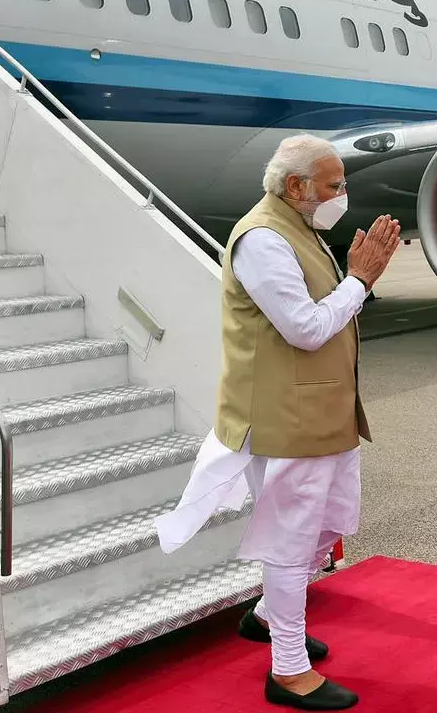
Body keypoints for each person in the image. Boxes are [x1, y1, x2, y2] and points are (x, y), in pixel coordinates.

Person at [154, 134, 401, 710]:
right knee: (292, 542)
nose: (343, 194)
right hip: (287, 419)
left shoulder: (299, 227)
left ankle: (268, 615)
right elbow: (307, 329)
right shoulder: (264, 239)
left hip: (323, 411)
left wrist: (356, 283)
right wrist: (360, 281)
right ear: (297, 186)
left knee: (325, 526)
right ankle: (288, 669)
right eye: (335, 185)